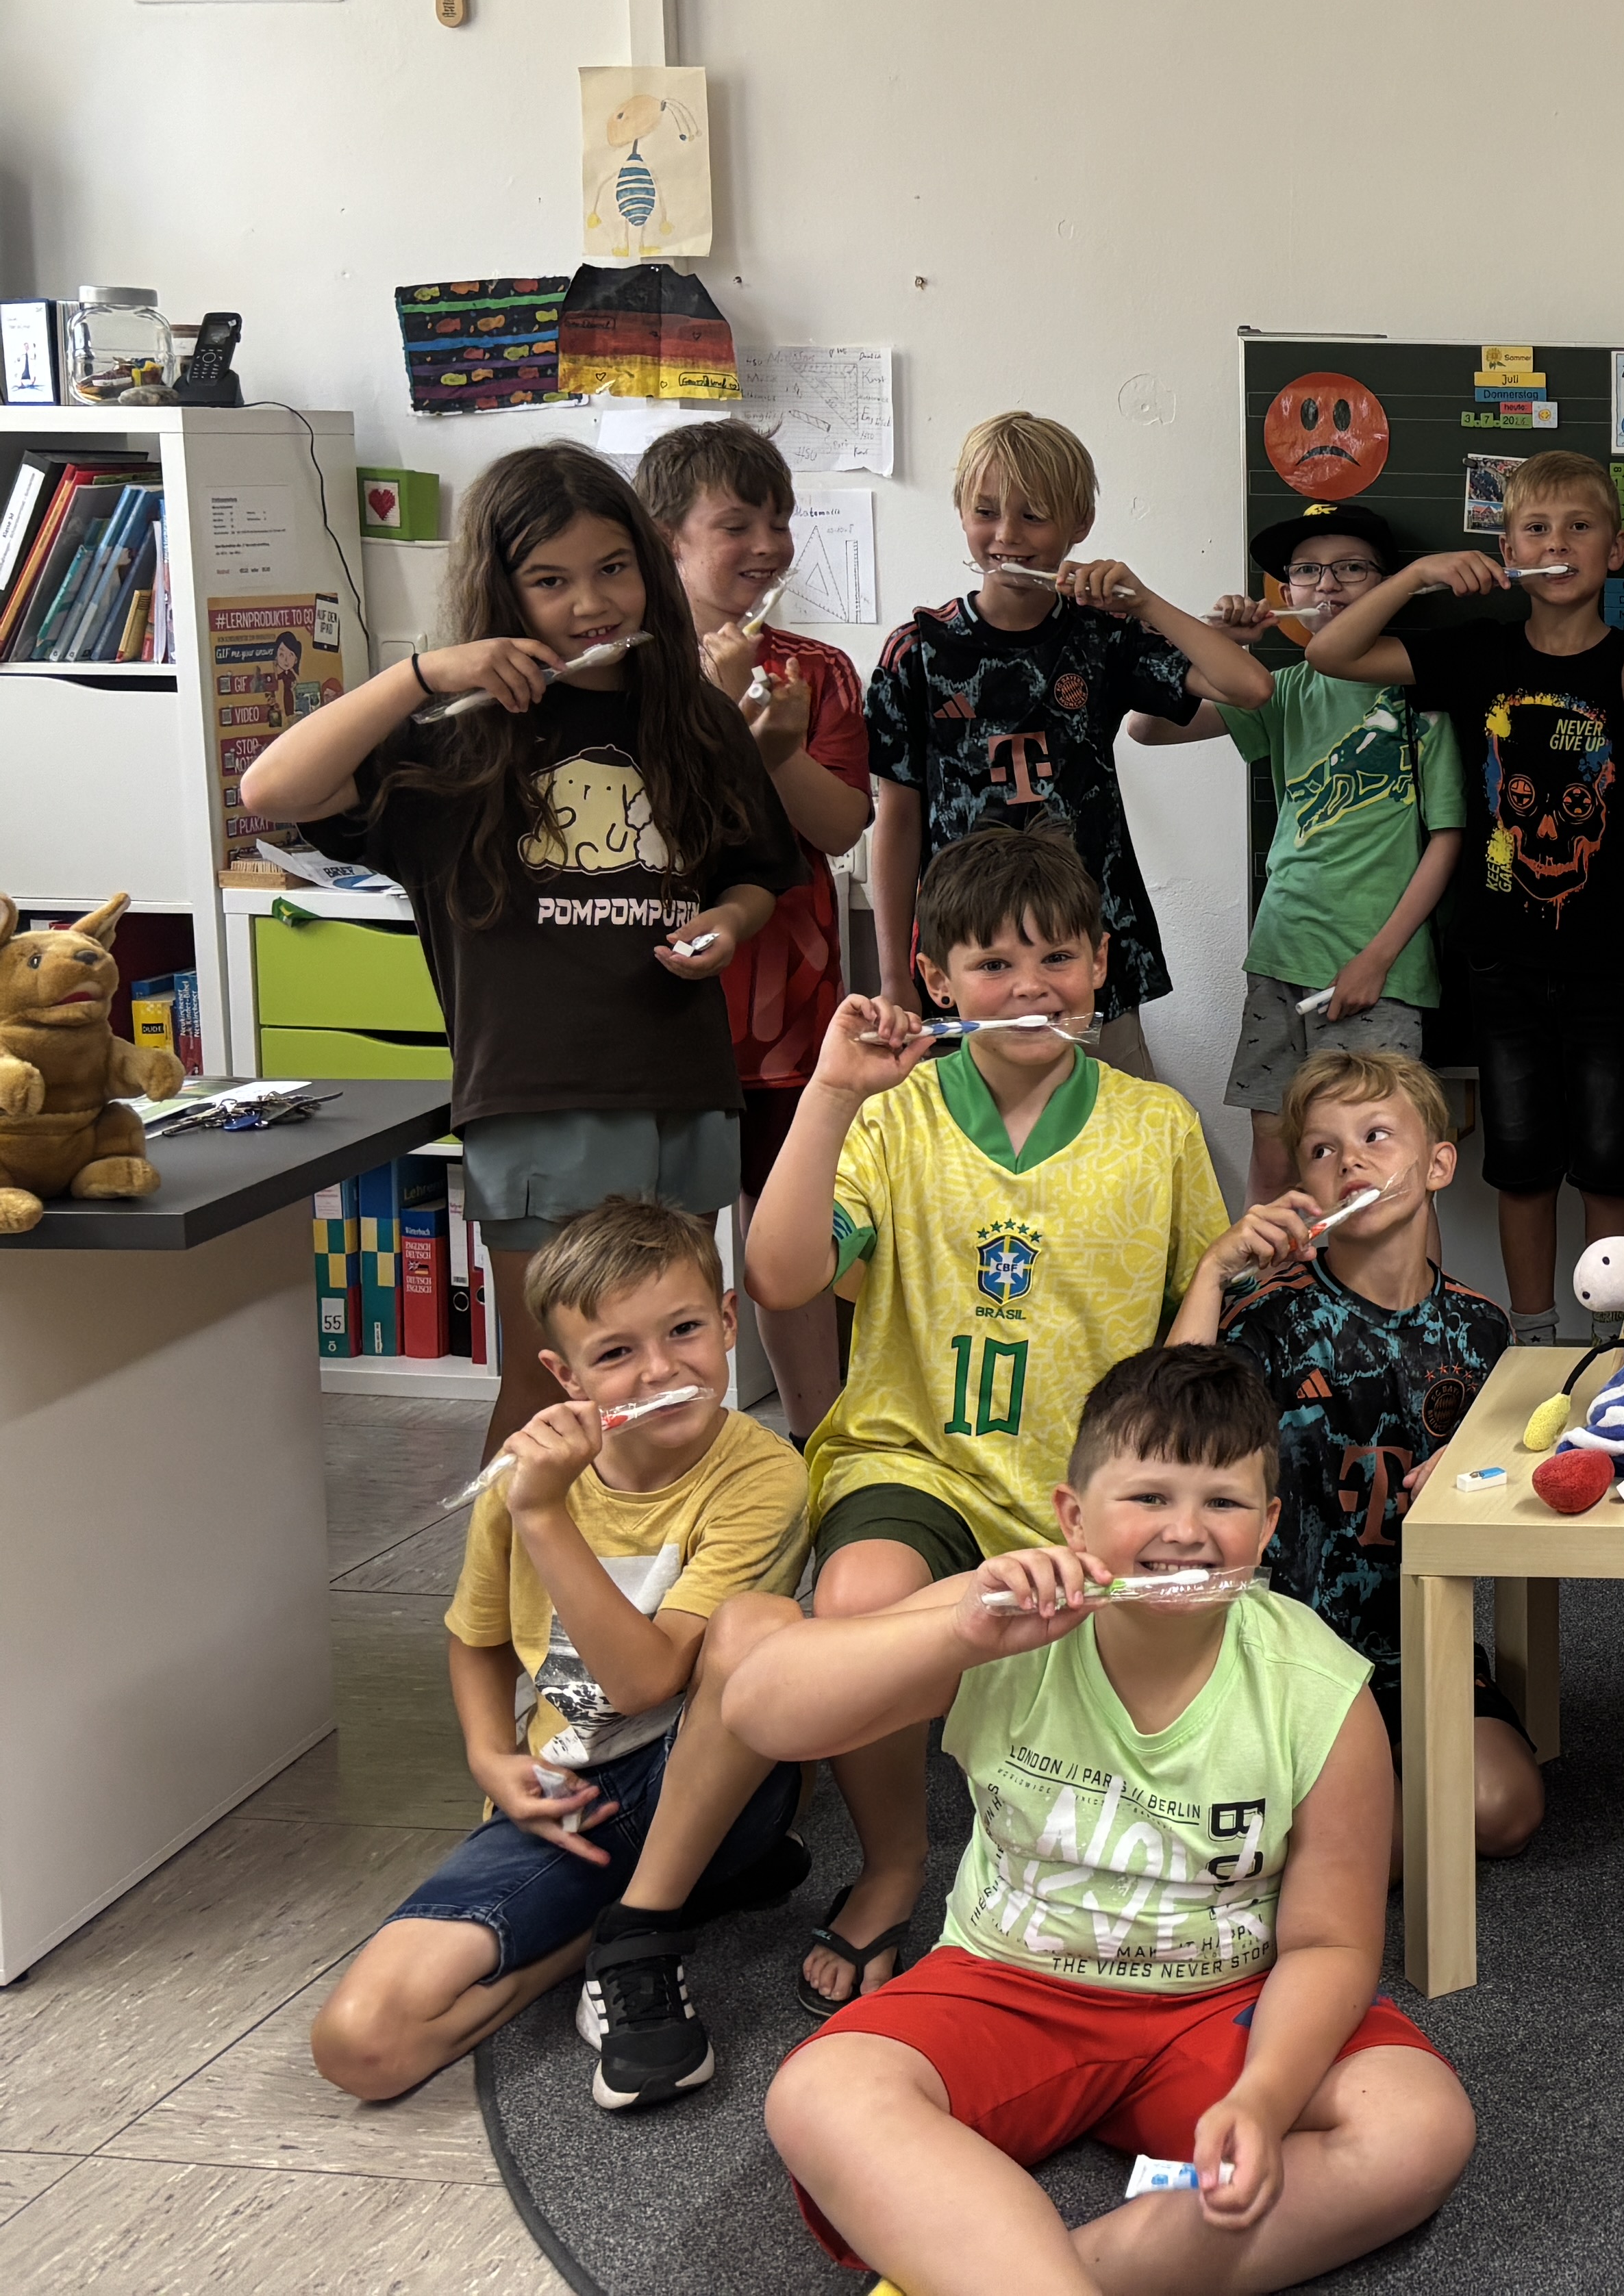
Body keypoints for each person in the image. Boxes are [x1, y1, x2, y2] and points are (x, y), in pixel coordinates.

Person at [738, 1343, 1475, 2293]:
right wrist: (956, 1633)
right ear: (1073, 1516)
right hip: (1005, 1982)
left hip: (1225, 2004)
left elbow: (1330, 1944)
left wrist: (1261, 2099)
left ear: (1268, 1526)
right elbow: (762, 1710)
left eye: (1224, 1502)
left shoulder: (1319, 1692)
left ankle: (1020, 2276)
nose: (1187, 1531)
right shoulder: (999, 1620)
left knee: (1418, 2126)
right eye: (1149, 1497)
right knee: (819, 2092)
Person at [747, 828, 1288, 2020]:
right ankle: (895, 1860)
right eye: (992, 963)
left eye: (1056, 957)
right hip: (917, 1457)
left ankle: (1053, 1871)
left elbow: (1178, 1365)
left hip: (1083, 1486)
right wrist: (830, 1094)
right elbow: (781, 1277)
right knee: (856, 1599)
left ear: (1101, 965)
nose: (1028, 986)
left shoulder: (1157, 1125)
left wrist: (1224, 1273)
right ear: (935, 979)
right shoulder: (890, 1116)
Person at [236, 441, 793, 1450]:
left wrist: (732, 921)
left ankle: (657, 1561)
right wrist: (420, 674)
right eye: (550, 581)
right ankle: (507, 1564)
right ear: (502, 590)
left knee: (673, 1390)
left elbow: (754, 871)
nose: (592, 604)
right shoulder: (453, 735)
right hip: (539, 1101)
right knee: (556, 1393)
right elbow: (271, 790)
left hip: (684, 1090)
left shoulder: (696, 720)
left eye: (613, 568)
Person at [308, 1198, 809, 2114]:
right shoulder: (522, 1482)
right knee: (361, 2043)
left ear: (728, 1321)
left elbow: (647, 1682)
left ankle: (646, 1926)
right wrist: (486, 1756)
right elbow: (477, 1638)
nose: (660, 1370)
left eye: (685, 1331)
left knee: (764, 1627)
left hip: (712, 1781)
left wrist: (543, 1515)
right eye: (615, 1353)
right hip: (575, 1789)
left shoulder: (761, 1474)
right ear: (564, 1376)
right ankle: (608, 1930)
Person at [1303, 451, 1624, 1334]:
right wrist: (1417, 577)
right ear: (1508, 551)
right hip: (1500, 965)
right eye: (1536, 531)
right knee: (1521, 1168)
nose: (1558, 546)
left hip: (1612, 966)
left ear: (1616, 549)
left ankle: (1620, 1342)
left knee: (1611, 1167)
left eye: (1580, 528)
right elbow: (1330, 651)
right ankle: (1531, 1339)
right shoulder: (1478, 651)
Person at [1171, 1046, 1542, 1857]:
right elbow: (1168, 1443)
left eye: (1376, 1136)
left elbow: (1521, 1479)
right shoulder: (1270, 1318)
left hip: (1422, 1650)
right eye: (1322, 1150)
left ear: (1437, 1165)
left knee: (1504, 1808)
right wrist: (1211, 1276)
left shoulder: (1483, 1330)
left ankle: (1332, 1838)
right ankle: (1335, 1837)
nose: (1350, 1162)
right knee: (1334, 1826)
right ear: (1305, 1189)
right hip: (1289, 1659)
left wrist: (1482, 1474)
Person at [863, 408, 1271, 1068]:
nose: (1006, 535)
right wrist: (893, 977)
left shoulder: (1102, 635)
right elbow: (898, 819)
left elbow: (1249, 687)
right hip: (966, 959)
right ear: (961, 513)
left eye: (1034, 516)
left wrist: (1144, 602)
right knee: (972, 1130)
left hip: (1090, 958)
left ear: (1080, 524)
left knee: (1108, 1124)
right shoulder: (919, 651)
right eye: (986, 512)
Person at [636, 413, 876, 1435]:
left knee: (794, 1241)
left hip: (792, 1008)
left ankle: (822, 1446)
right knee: (670, 1252)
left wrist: (772, 750)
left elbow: (842, 824)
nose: (769, 545)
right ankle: (681, 1454)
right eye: (737, 524)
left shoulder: (816, 669)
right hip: (663, 1006)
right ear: (666, 538)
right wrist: (711, 708)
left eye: (779, 521)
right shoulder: (622, 675)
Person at [1136, 495, 1466, 1204]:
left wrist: (1377, 960)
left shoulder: (1419, 697)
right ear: (1285, 592)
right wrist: (1223, 643)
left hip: (1380, 969)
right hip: (1281, 958)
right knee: (1276, 1147)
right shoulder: (1280, 690)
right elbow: (1146, 728)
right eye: (1308, 572)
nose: (1328, 585)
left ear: (1387, 586)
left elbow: (1447, 839)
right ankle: (1274, 1278)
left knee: (1380, 1166)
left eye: (1352, 568)